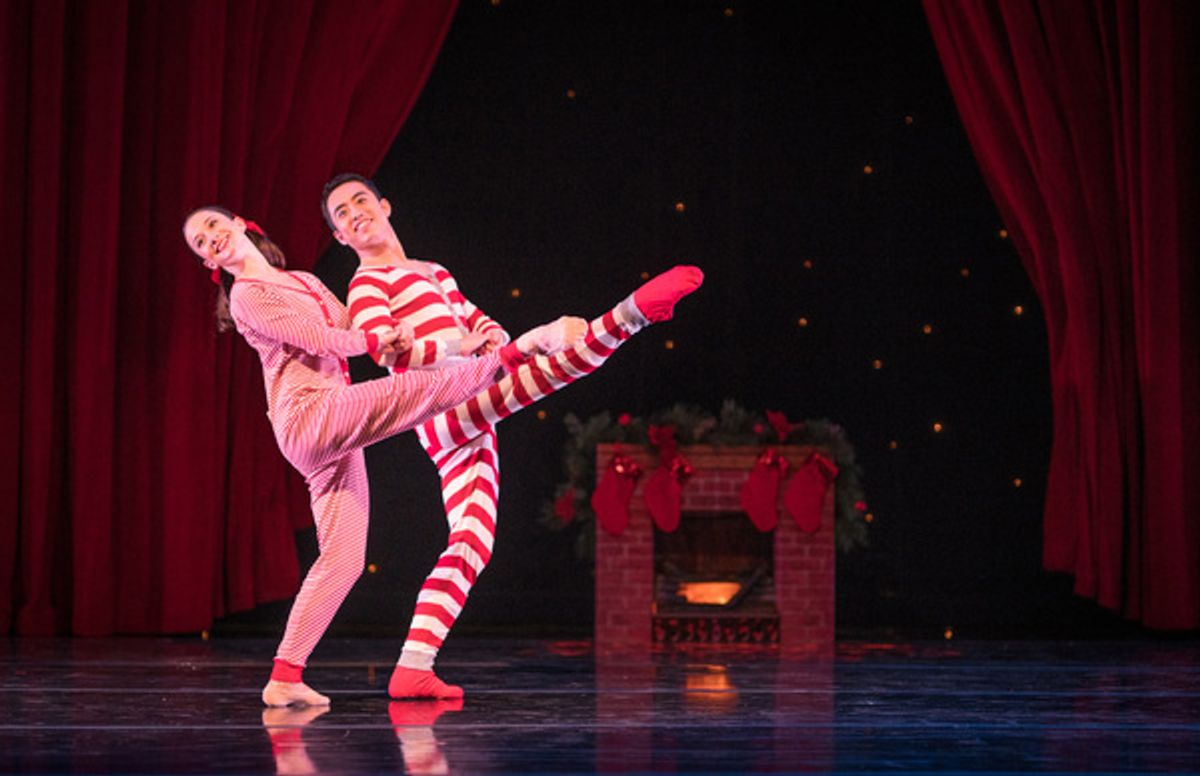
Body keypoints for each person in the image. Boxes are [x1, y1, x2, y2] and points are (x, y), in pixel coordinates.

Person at [182, 206, 589, 708]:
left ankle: (284, 677)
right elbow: (321, 339)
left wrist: (453, 342)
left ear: (240, 224)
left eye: (214, 226)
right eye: (201, 242)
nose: (211, 238)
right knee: (410, 394)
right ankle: (520, 351)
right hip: (309, 416)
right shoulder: (247, 295)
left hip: (335, 425)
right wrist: (373, 339)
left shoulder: (305, 281)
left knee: (344, 560)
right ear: (208, 262)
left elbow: (363, 331)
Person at [320, 173, 704, 699]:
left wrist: (493, 338)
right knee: (555, 365)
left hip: (470, 413)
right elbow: (390, 353)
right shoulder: (367, 284)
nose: (354, 213)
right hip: (440, 405)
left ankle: (413, 665)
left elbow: (477, 322)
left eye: (360, 200)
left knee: (472, 543)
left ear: (385, 206)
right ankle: (629, 315)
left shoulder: (433, 271)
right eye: (341, 213)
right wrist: (491, 347)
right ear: (340, 236)